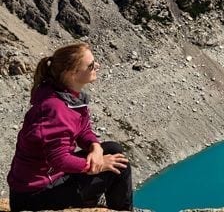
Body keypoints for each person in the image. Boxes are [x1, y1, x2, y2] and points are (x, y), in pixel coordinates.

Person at [7, 43, 133, 211]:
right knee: (121, 167)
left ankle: (88, 201)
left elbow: (84, 130)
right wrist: (98, 165)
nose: (97, 66)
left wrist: (95, 148)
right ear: (73, 74)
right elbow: (58, 159)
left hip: (52, 179)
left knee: (113, 149)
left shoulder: (68, 96)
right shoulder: (54, 109)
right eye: (90, 65)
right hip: (35, 196)